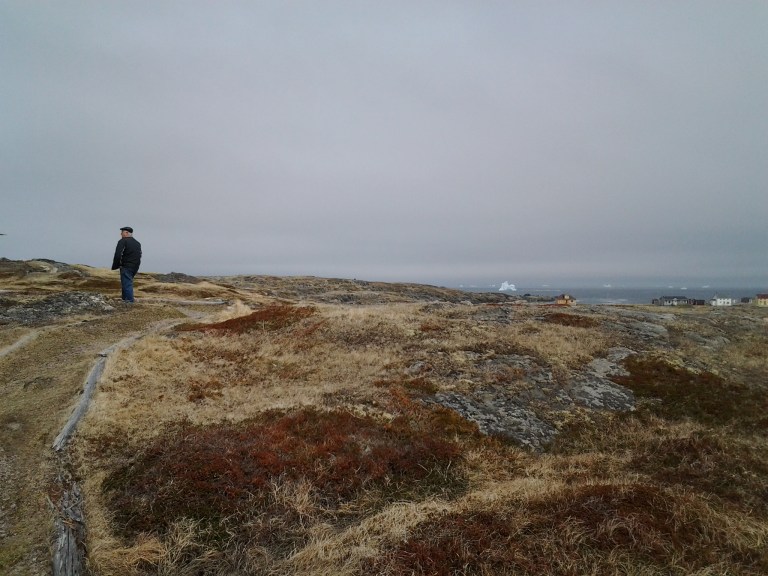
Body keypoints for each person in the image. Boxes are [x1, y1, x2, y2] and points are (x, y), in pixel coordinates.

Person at [111, 226, 142, 303]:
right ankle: (125, 300)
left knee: (127, 284)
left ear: (127, 233)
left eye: (122, 232)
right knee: (126, 283)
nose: (121, 234)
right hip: (135, 267)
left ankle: (129, 302)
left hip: (126, 266)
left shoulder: (123, 241)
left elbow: (118, 254)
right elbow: (139, 255)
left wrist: (116, 265)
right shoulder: (137, 243)